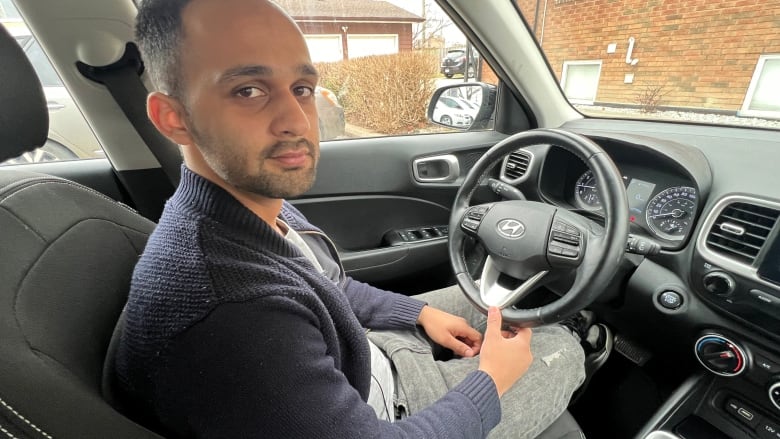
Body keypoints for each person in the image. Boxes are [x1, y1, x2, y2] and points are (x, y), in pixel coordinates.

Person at [115, 0, 592, 437]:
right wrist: (492, 380)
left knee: (500, 305)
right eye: (249, 90)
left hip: (357, 357)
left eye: (302, 88)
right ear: (173, 118)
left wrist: (418, 314)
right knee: (563, 347)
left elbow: (331, 285)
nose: (298, 121)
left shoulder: (245, 206)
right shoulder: (234, 313)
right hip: (389, 408)